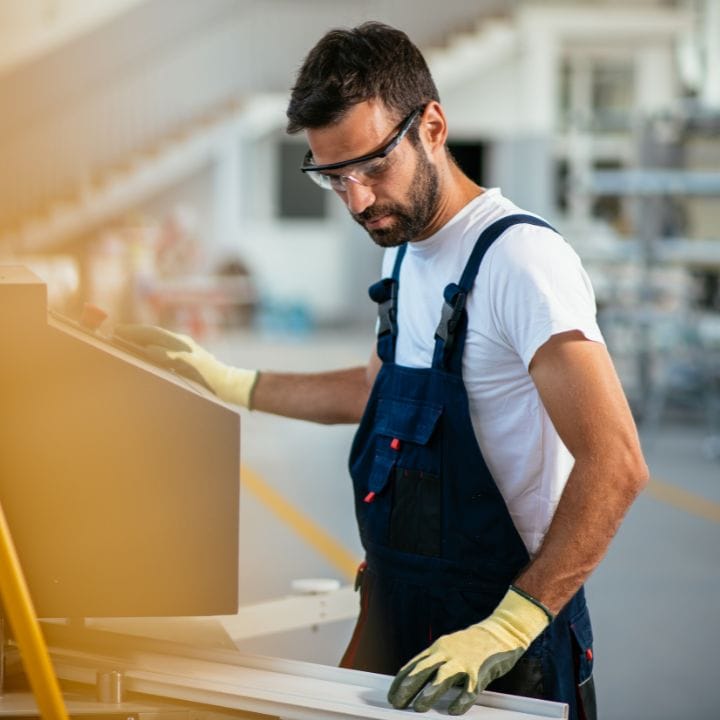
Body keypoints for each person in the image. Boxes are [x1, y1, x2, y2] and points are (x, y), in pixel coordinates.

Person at [116, 21, 648, 719]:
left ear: (432, 125)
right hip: (404, 623)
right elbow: (374, 389)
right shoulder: (401, 252)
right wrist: (228, 381)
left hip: (505, 652)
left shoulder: (521, 263)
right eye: (334, 176)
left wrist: (509, 627)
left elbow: (615, 463)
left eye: (371, 166)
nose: (358, 200)